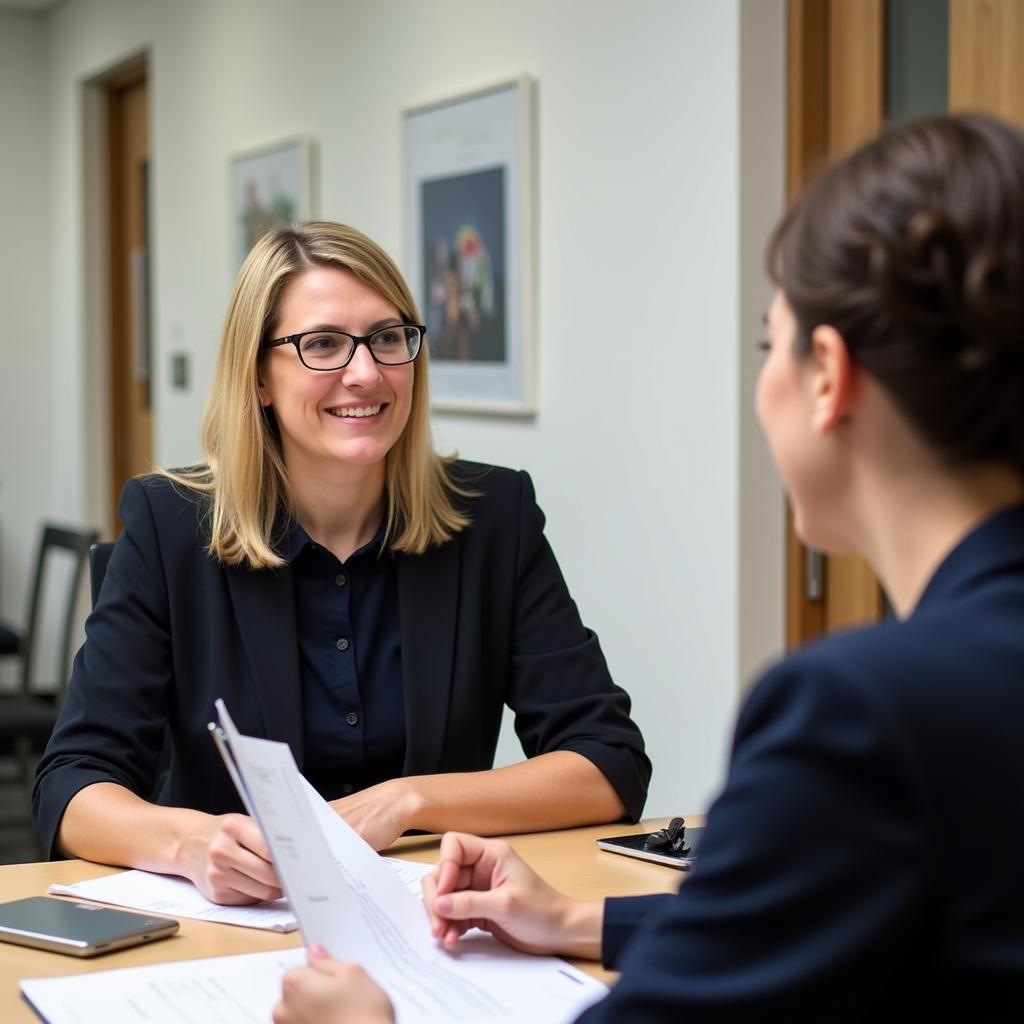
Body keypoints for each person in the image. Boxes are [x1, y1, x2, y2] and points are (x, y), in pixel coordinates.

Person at [273, 113, 1024, 1022]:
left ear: (827, 376)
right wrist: (577, 918)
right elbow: (832, 920)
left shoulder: (860, 715)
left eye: (766, 342)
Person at [33, 222, 650, 905]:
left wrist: (409, 800)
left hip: (432, 923)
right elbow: (71, 785)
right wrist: (188, 843)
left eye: (388, 338)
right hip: (234, 930)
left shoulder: (493, 516)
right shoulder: (170, 525)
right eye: (322, 344)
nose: (366, 372)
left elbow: (607, 763)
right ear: (259, 377)